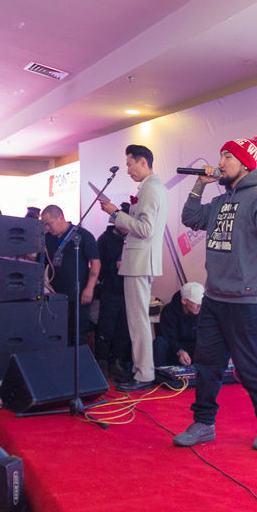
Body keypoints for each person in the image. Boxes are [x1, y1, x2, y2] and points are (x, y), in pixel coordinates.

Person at [173, 135, 257, 450]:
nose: (221, 162)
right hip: (215, 298)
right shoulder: (220, 202)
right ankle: (204, 424)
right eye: (221, 155)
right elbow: (190, 218)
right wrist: (199, 185)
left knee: (252, 368)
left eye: (228, 156)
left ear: (245, 163)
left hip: (247, 301)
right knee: (207, 365)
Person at [97, 145, 168, 392]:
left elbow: (146, 229)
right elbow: (141, 226)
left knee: (138, 321)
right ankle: (141, 370)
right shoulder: (150, 188)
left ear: (143, 162)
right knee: (137, 320)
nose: (127, 170)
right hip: (139, 260)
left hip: (140, 261)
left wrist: (116, 213)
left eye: (129, 164)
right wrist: (118, 216)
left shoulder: (151, 188)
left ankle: (144, 373)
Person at [41, 204, 99, 349]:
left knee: (78, 333)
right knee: (58, 333)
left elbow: (95, 263)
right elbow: (40, 264)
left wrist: (90, 288)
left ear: (60, 218)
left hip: (79, 293)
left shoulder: (82, 236)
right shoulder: (47, 239)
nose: (47, 228)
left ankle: (79, 359)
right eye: (45, 225)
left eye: (49, 223)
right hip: (55, 295)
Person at [94, 208, 130, 380]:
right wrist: (113, 267)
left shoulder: (134, 238)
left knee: (123, 328)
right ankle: (101, 362)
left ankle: (117, 361)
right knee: (106, 327)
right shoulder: (104, 240)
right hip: (110, 289)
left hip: (129, 290)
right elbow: (96, 267)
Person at [154, 281, 203, 368]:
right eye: (196, 302)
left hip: (193, 351)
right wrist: (179, 351)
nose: (200, 305)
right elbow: (168, 337)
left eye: (201, 302)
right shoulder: (169, 311)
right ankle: (160, 374)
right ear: (184, 300)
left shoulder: (202, 312)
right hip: (174, 351)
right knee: (159, 342)